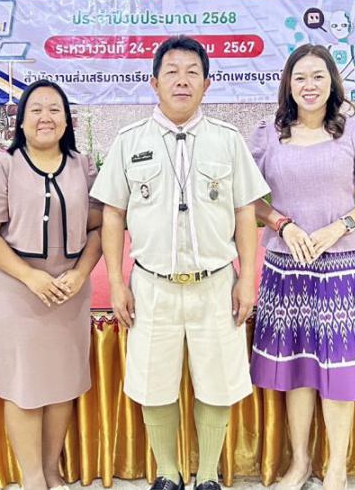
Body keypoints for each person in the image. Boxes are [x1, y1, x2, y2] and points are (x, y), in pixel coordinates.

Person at [90, 35, 269, 490]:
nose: (182, 81)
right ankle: (167, 473)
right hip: (153, 286)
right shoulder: (130, 141)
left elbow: (245, 212)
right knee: (154, 382)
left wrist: (247, 279)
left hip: (215, 283)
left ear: (207, 84)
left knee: (218, 381)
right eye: (171, 72)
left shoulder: (227, 140)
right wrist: (117, 282)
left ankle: (207, 475)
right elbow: (112, 215)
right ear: (154, 83)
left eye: (192, 72)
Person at [248, 44, 355, 490]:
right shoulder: (269, 134)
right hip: (286, 268)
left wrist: (339, 227)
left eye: (317, 77)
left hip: (341, 267)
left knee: (340, 368)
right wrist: (282, 224)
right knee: (297, 369)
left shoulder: (354, 131)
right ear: (287, 85)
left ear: (332, 82)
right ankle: (299, 462)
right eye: (300, 78)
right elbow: (248, 197)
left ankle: (336, 468)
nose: (309, 86)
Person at [0, 79, 102, 490]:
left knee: (62, 383)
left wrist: (80, 274)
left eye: (54, 109)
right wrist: (29, 276)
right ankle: (31, 477)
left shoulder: (84, 166)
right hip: (18, 290)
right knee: (24, 386)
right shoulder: (3, 166)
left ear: (67, 119)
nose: (46, 117)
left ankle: (50, 470)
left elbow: (100, 227)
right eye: (36, 110)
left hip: (69, 290)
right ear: (21, 120)